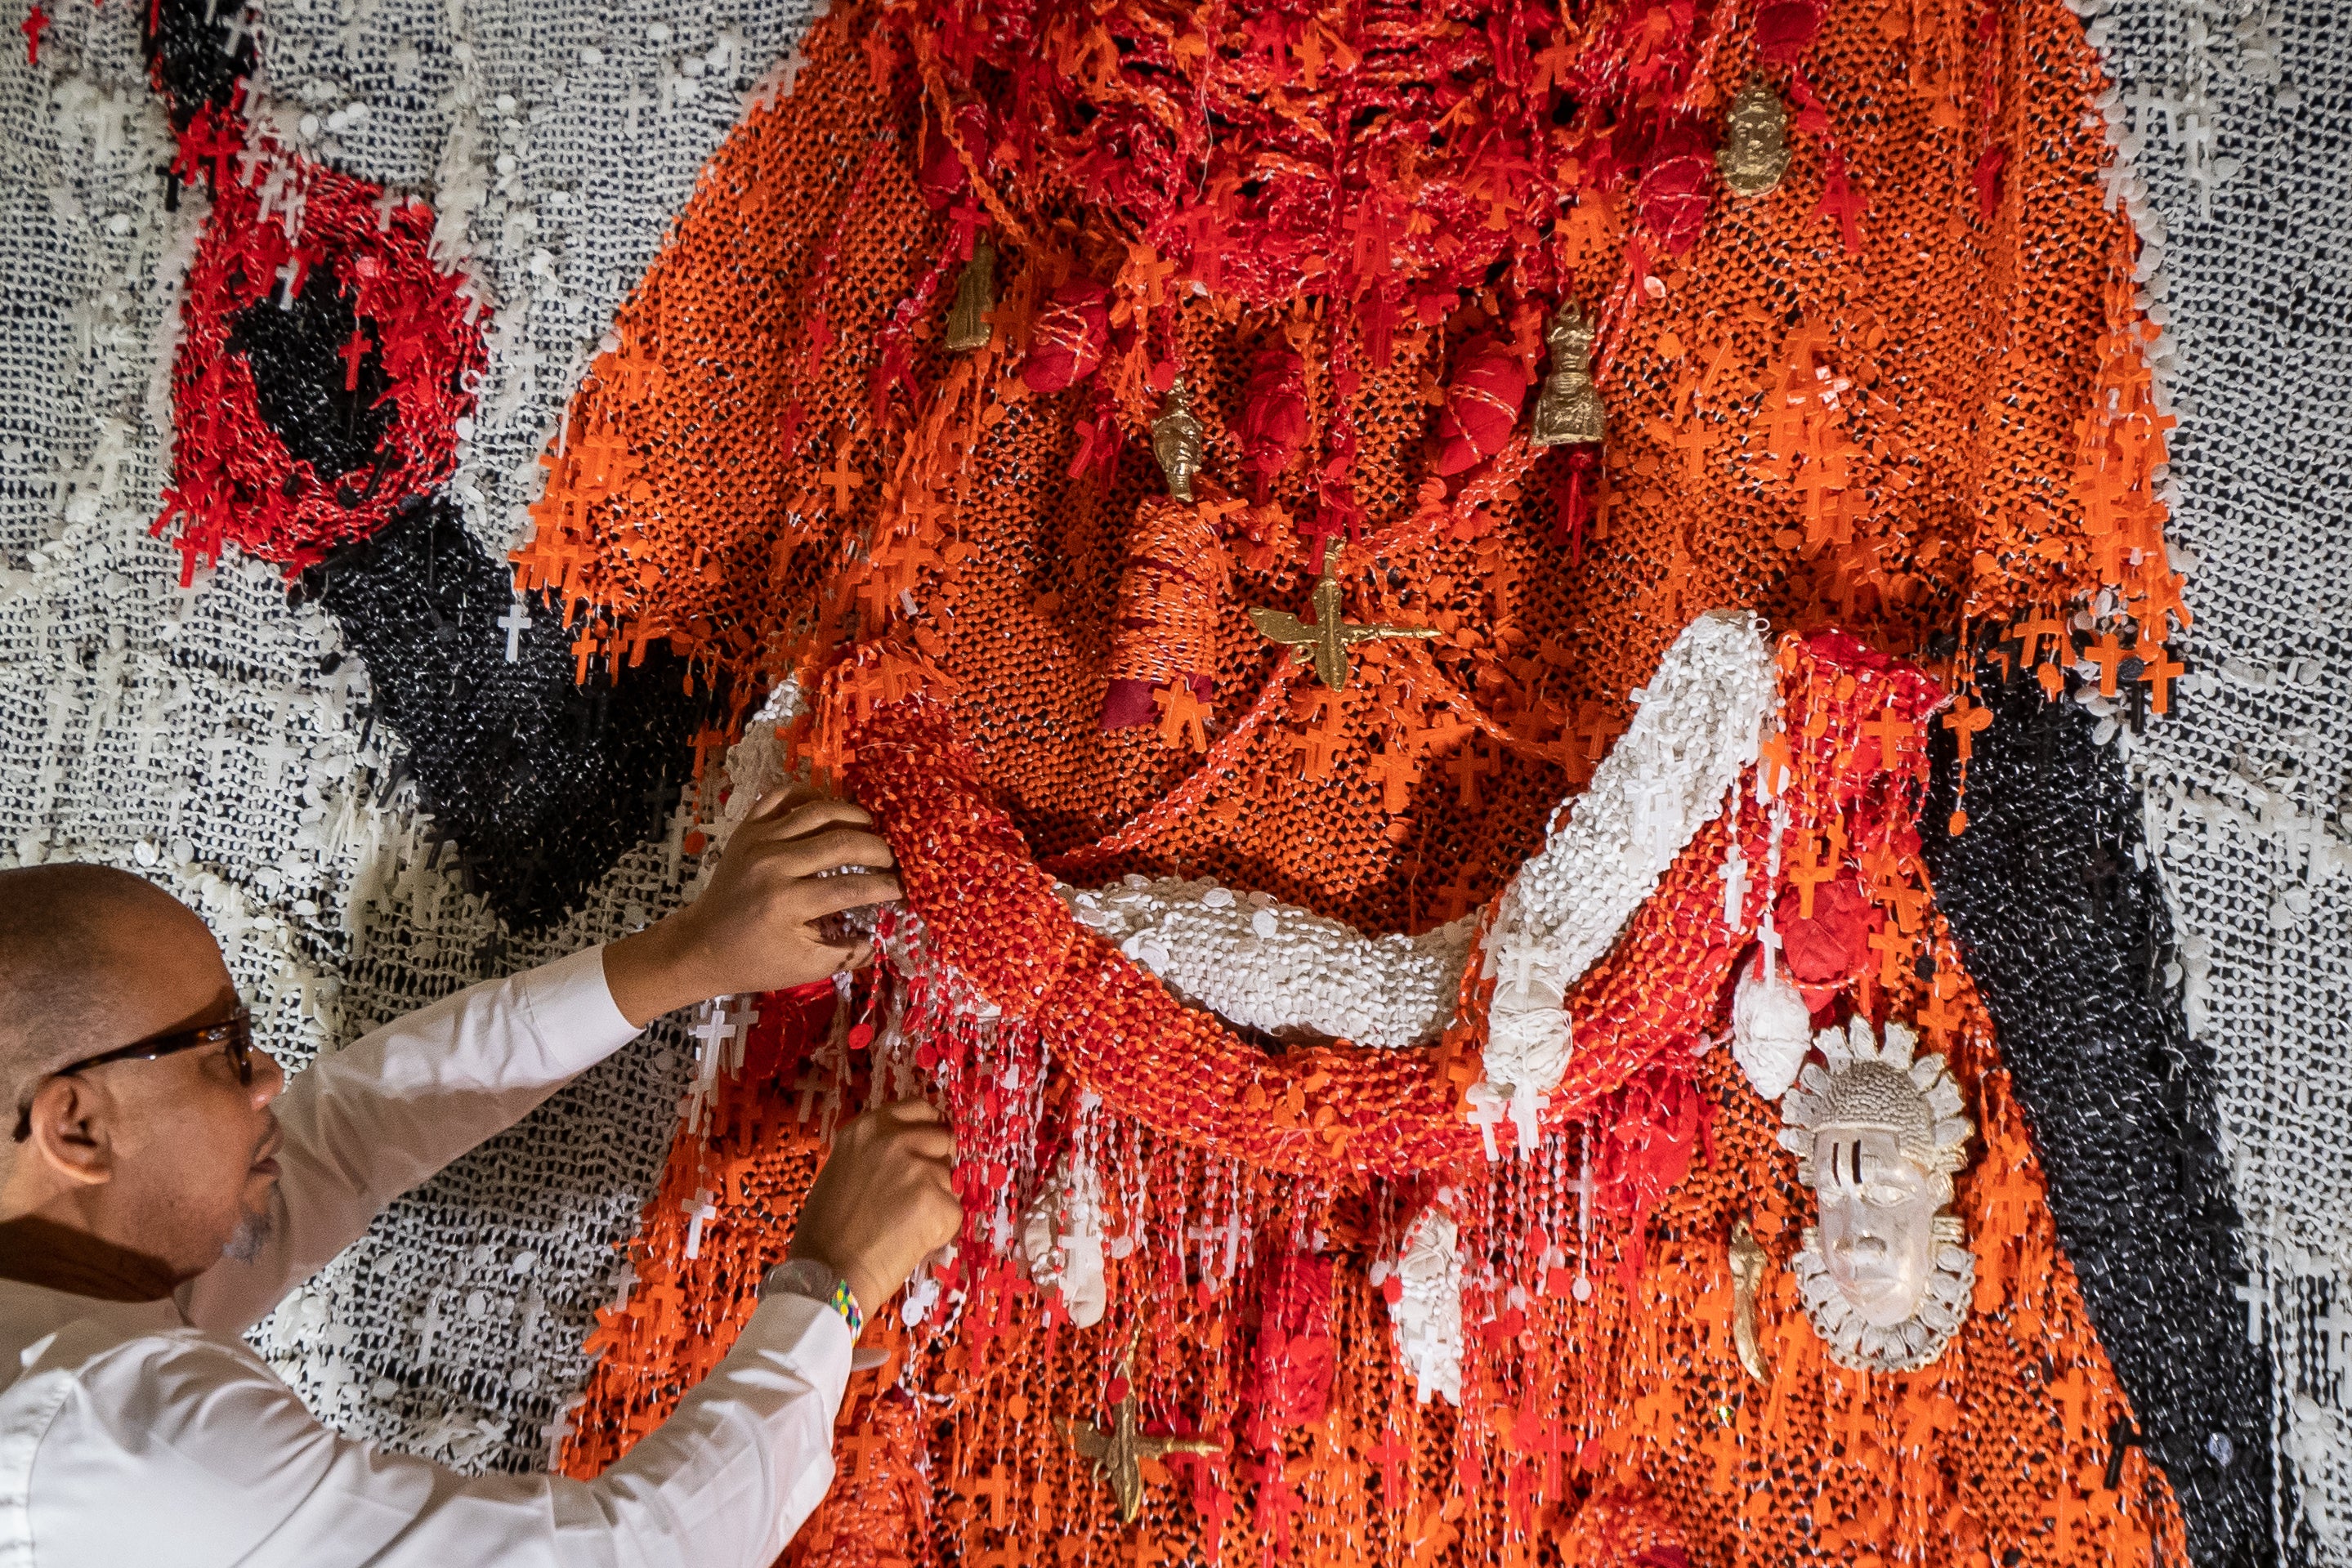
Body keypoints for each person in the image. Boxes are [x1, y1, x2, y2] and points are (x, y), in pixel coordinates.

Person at [0, 788, 962, 1566]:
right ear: (76, 1127)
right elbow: (639, 1551)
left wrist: (690, 952)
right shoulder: (113, 1440)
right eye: (222, 1048)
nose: (268, 1080)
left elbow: (348, 1129)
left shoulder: (54, 1295)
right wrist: (830, 1281)